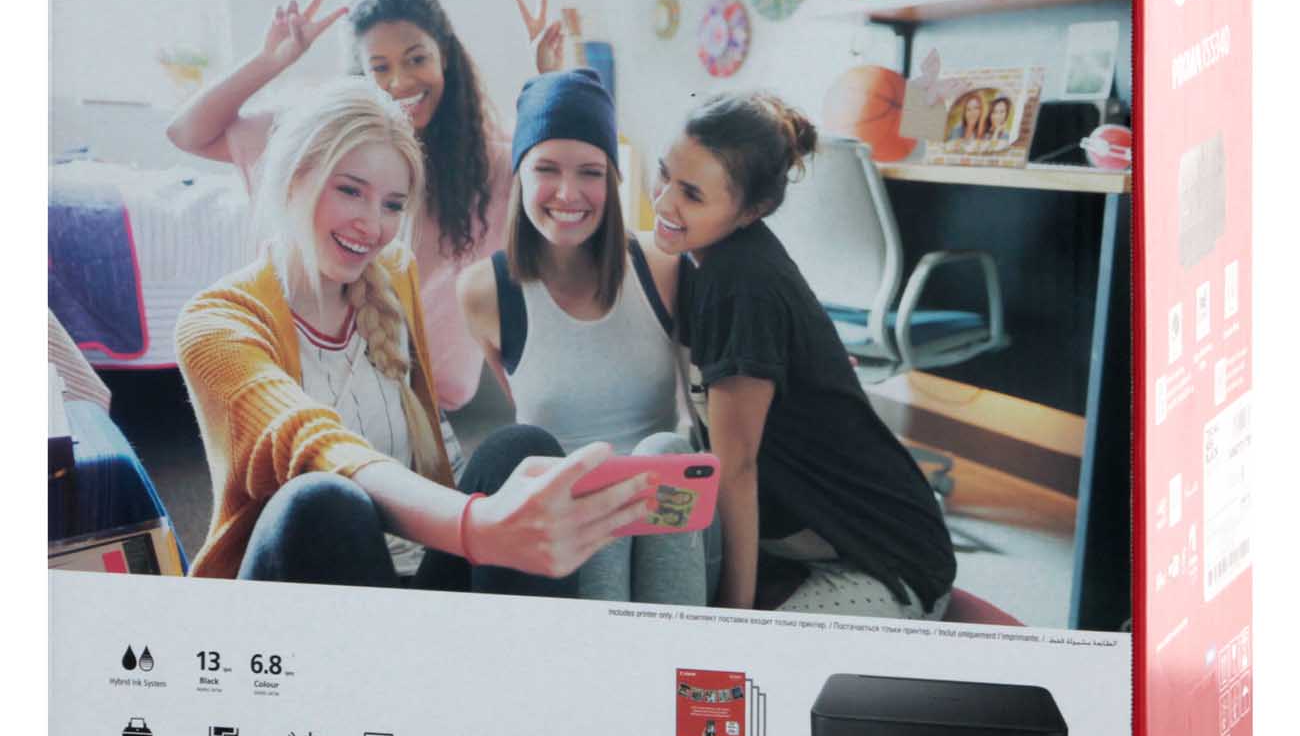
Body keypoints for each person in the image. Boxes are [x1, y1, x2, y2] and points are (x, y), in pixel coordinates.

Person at [176, 81, 651, 592]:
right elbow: (312, 442)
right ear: (295, 177)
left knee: (522, 449)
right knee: (322, 500)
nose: (372, 225)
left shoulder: (393, 274)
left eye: (392, 205)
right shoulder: (217, 323)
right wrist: (476, 526)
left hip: (415, 572)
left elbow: (430, 429)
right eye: (350, 190)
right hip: (309, 582)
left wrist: (495, 518)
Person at [653, 90, 956, 616]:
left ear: (752, 211)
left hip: (886, 561)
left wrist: (736, 613)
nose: (662, 202)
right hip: (805, 542)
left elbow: (736, 466)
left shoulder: (740, 284)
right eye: (663, 174)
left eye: (691, 195)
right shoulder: (707, 259)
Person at [166, 0, 512, 410]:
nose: (400, 81)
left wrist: (552, 76)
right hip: (321, 376)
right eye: (380, 67)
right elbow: (187, 132)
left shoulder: (489, 161)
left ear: (444, 54)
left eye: (416, 59)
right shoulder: (331, 137)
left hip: (424, 386)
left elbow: (557, 170)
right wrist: (270, 61)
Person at [458, 67, 712, 605]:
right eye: (546, 169)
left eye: (590, 172)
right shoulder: (484, 292)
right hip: (566, 529)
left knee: (665, 450)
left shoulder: (662, 266)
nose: (568, 193)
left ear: (612, 180)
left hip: (665, 519)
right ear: (519, 174)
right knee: (593, 496)